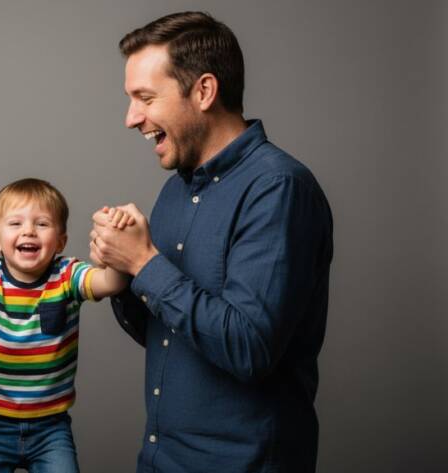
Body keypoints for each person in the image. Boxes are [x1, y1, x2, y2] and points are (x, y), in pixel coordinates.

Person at [89, 12, 333, 473]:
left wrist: (145, 263)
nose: (130, 118)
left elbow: (248, 347)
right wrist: (120, 273)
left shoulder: (279, 188)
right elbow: (169, 336)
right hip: (162, 460)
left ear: (203, 91)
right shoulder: (175, 191)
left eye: (144, 98)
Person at [0, 178, 131, 472]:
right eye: (15, 223)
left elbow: (110, 283)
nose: (29, 230)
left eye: (42, 224)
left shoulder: (68, 274)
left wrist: (118, 248)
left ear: (61, 241)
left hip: (50, 427)